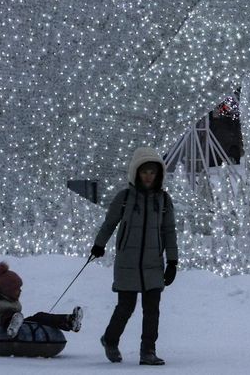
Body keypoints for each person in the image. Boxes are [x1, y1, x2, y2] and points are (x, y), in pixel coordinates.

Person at [91, 146, 178, 366]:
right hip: (127, 262)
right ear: (136, 172)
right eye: (144, 171)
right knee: (125, 307)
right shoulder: (124, 198)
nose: (148, 176)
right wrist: (99, 245)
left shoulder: (164, 200)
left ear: (158, 174)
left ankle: (148, 351)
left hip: (153, 263)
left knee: (152, 309)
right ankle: (110, 340)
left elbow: (169, 231)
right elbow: (109, 223)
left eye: (152, 172)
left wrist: (173, 261)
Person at [0, 260, 83, 336]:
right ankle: (12, 325)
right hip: (2, 327)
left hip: (19, 324)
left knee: (39, 316)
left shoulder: (12, 301)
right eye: (17, 289)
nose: (20, 291)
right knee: (7, 314)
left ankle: (69, 321)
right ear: (7, 290)